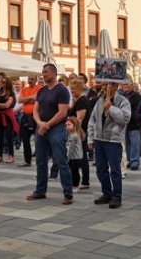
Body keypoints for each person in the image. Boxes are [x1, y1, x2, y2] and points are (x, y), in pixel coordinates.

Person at [29, 63, 74, 204]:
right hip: (41, 128)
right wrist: (39, 124)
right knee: (40, 161)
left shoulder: (62, 90)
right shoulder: (42, 90)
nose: (44, 74)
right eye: (43, 72)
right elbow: (35, 110)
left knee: (61, 161)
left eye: (46, 72)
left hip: (57, 129)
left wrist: (47, 125)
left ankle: (68, 194)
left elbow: (62, 113)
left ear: (54, 73)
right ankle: (40, 191)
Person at [89, 81, 131, 209]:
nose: (106, 87)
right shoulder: (99, 101)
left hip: (113, 140)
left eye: (110, 85)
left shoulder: (123, 101)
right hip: (99, 139)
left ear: (116, 86)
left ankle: (116, 196)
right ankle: (106, 193)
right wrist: (90, 138)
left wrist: (111, 108)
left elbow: (125, 118)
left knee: (115, 170)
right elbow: (93, 120)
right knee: (101, 170)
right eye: (105, 85)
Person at [68, 79, 91, 190]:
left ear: (80, 89)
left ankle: (84, 181)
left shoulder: (82, 101)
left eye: (73, 89)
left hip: (79, 132)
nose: (71, 91)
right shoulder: (77, 100)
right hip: (79, 132)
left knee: (81, 158)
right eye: (71, 88)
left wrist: (74, 133)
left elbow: (79, 119)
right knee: (79, 157)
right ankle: (80, 180)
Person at [18, 75, 41, 167]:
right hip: (26, 116)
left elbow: (38, 99)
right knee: (25, 139)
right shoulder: (24, 89)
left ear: (36, 80)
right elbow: (20, 100)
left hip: (36, 117)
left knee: (38, 140)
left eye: (32, 79)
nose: (30, 81)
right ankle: (27, 161)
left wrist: (26, 99)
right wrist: (31, 98)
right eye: (29, 79)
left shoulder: (39, 88)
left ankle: (40, 160)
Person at [0, 77, 17, 164]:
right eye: (1, 82)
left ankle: (11, 156)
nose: (2, 83)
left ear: (8, 83)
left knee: (9, 137)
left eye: (4, 82)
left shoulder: (11, 93)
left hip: (7, 117)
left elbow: (7, 105)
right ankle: (0, 155)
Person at [121, 79, 141, 170]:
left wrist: (129, 115)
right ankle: (130, 160)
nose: (125, 86)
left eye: (127, 84)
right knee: (127, 143)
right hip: (124, 122)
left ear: (132, 85)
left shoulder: (137, 95)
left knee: (134, 143)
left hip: (134, 122)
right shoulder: (122, 95)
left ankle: (135, 162)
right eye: (124, 84)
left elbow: (138, 109)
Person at [66, 117, 87, 192]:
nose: (67, 127)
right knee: (74, 171)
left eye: (69, 125)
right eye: (66, 125)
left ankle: (75, 185)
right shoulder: (74, 134)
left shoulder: (73, 135)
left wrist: (67, 158)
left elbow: (70, 148)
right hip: (76, 156)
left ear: (75, 126)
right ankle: (74, 185)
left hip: (75, 157)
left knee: (74, 172)